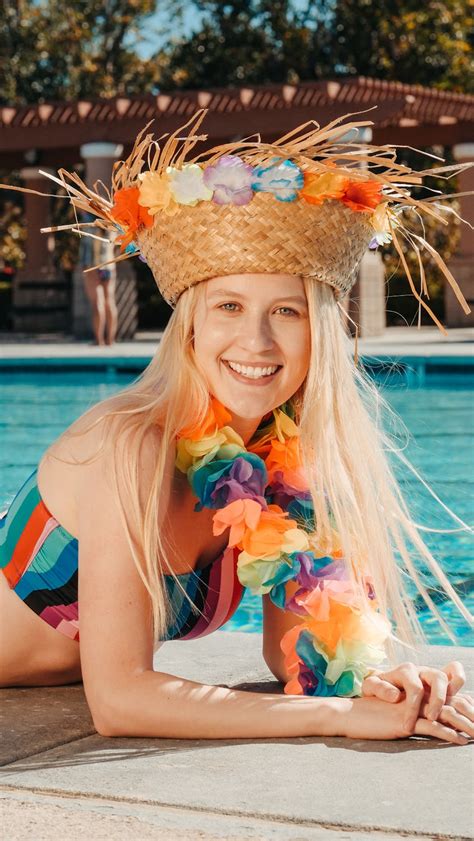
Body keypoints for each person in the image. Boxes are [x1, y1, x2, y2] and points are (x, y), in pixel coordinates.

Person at [0, 110, 473, 744]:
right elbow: (118, 699)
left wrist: (386, 686)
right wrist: (335, 716)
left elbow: (292, 651)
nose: (256, 339)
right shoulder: (131, 441)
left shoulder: (294, 458)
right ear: (191, 324)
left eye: (287, 309)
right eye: (229, 306)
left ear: (320, 333)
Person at [79, 224, 118, 346]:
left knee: (97, 303)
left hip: (93, 266)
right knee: (109, 301)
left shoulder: (88, 223)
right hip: (108, 264)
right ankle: (110, 340)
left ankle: (99, 340)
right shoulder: (112, 224)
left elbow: (85, 249)